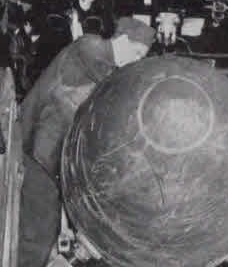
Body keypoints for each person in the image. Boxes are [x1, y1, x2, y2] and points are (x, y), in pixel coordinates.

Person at [18, 15, 156, 180]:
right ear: (123, 40)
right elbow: (102, 79)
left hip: (54, 143)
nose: (136, 60)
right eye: (137, 53)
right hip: (41, 135)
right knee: (39, 191)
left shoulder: (109, 67)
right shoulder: (89, 45)